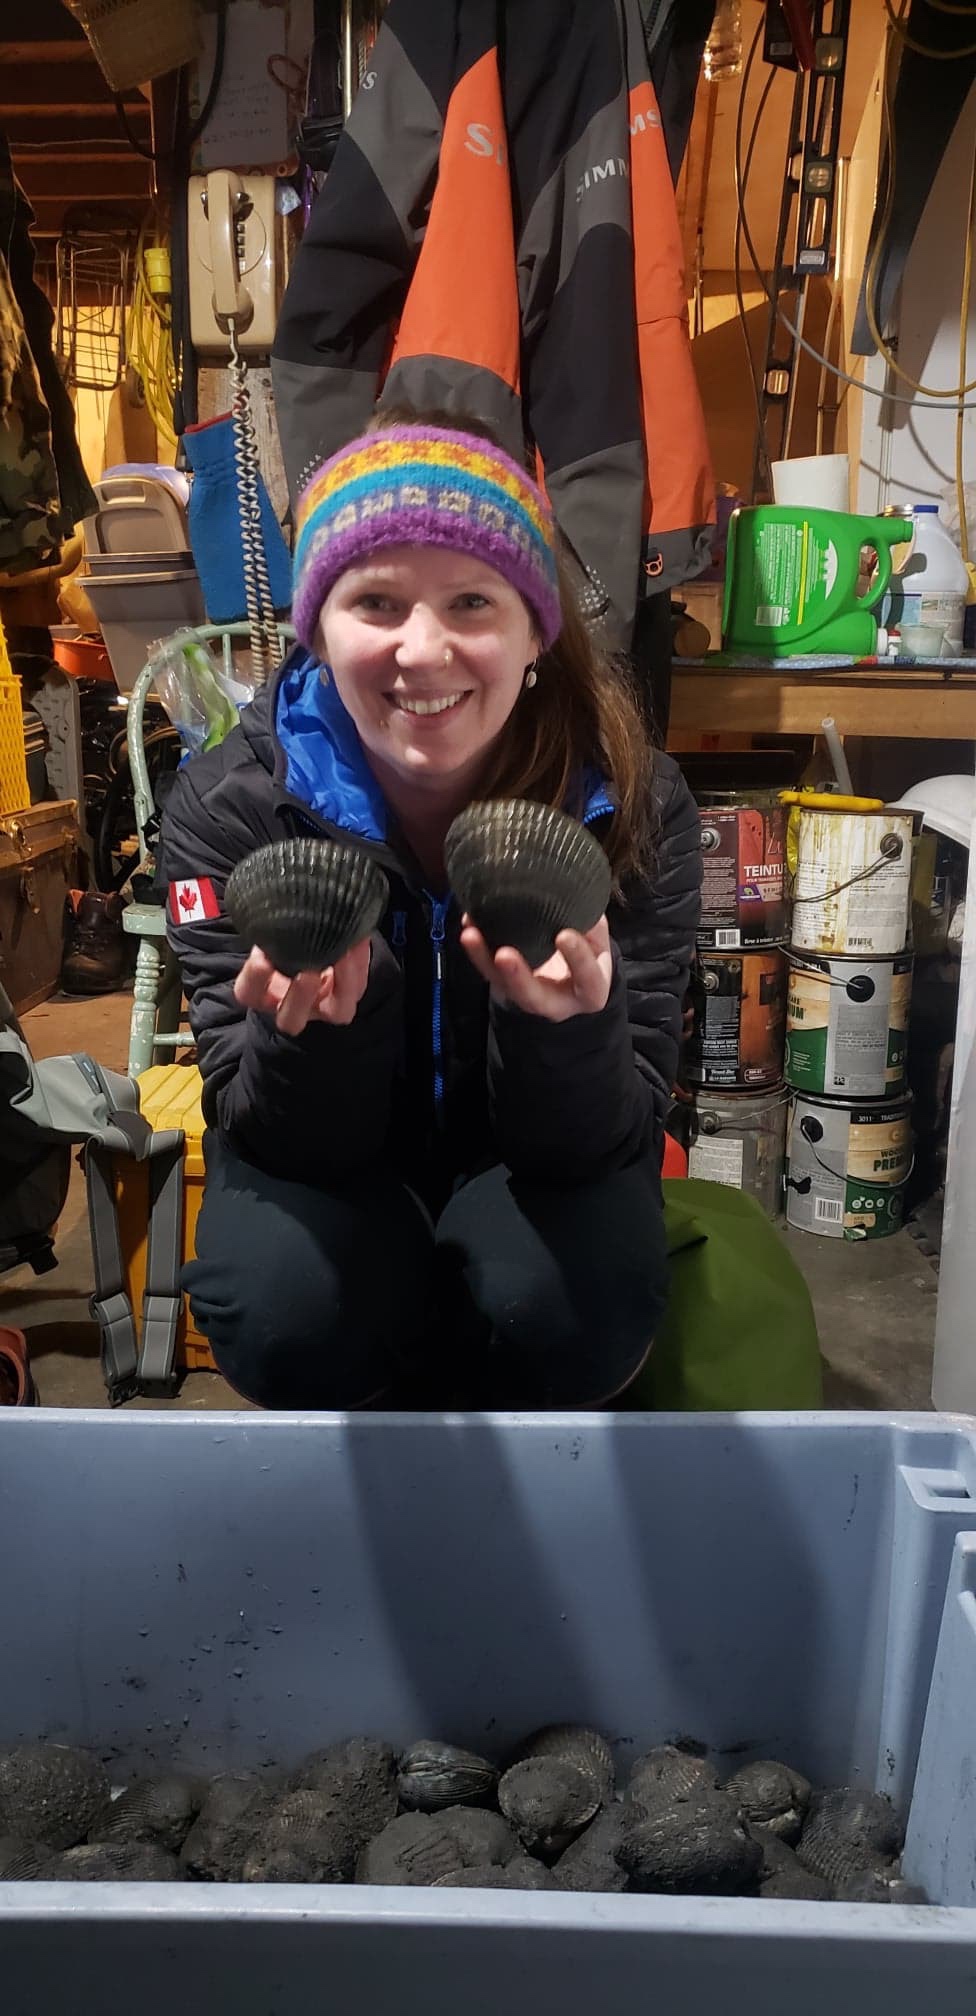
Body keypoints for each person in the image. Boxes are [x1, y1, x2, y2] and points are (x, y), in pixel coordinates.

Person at [159, 416, 702, 1410]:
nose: (423, 649)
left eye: (470, 601)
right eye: (374, 601)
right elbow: (262, 1130)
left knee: (574, 1312)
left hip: (533, 1169)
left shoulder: (635, 800)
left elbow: (610, 1133)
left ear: (535, 629)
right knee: (281, 1315)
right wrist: (310, 1037)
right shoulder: (223, 808)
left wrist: (568, 1030)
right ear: (316, 628)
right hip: (336, 1175)